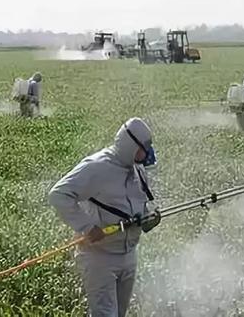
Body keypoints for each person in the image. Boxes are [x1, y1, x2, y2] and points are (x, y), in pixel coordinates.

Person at [48, 117, 161, 317]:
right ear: (130, 145)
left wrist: (148, 218)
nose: (147, 153)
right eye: (144, 147)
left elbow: (139, 203)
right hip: (100, 257)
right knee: (105, 314)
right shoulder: (97, 167)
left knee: (119, 313)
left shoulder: (138, 169)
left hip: (128, 255)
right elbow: (59, 194)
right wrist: (87, 227)